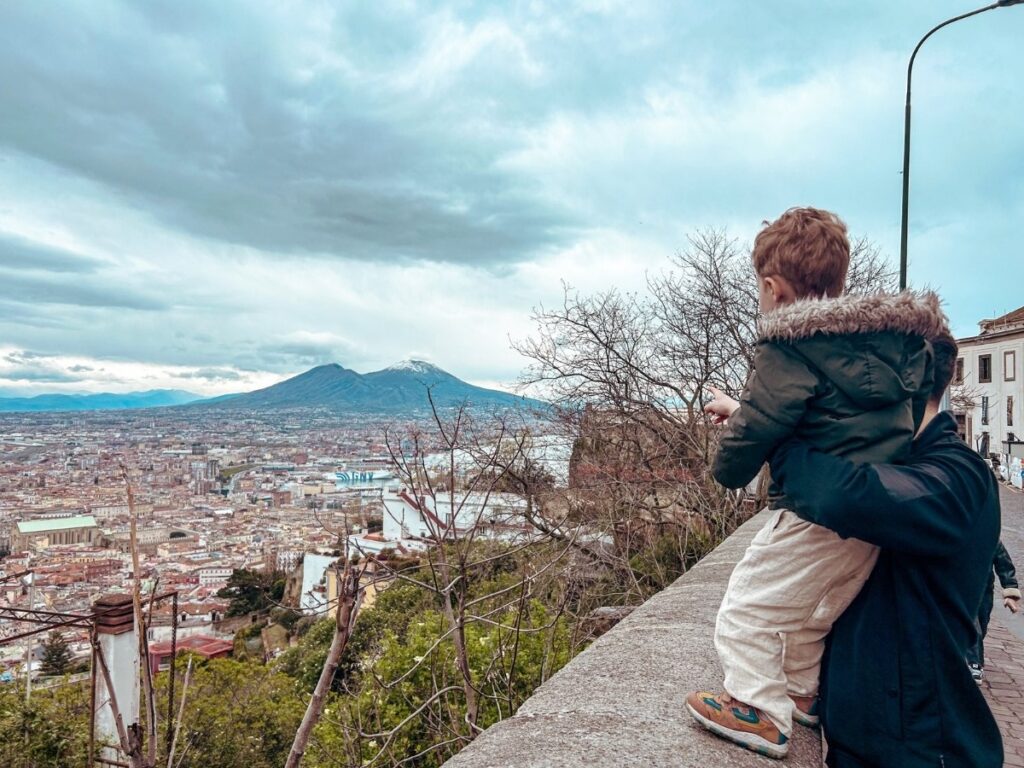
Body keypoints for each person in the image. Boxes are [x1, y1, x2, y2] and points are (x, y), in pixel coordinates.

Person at [685, 207, 946, 758]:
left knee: (749, 606)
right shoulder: (891, 345)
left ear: (772, 288)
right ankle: (801, 693)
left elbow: (762, 423)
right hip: (872, 508)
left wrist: (727, 469)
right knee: (814, 613)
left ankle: (758, 709)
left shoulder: (789, 346)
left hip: (814, 511)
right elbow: (850, 418)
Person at [767, 331, 1003, 767]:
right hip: (871, 740)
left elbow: (843, 496)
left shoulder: (958, 474)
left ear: (905, 380)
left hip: (921, 748)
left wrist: (773, 439)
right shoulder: (906, 463)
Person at [967, 539, 1020, 681]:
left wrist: (1010, 590)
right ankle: (974, 663)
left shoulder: (990, 537)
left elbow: (1004, 563)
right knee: (972, 624)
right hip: (962, 588)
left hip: (984, 588)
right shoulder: (954, 532)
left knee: (983, 622)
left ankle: (969, 652)